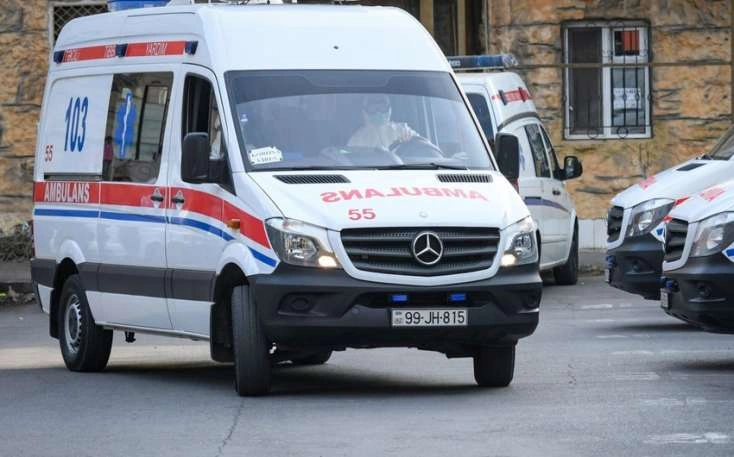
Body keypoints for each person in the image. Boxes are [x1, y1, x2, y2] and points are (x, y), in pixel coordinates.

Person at [347, 94, 417, 150]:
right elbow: (348, 157)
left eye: (382, 106)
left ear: (388, 108)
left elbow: (421, 145)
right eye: (373, 107)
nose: (378, 112)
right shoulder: (357, 138)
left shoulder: (402, 130)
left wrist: (410, 143)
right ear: (365, 111)